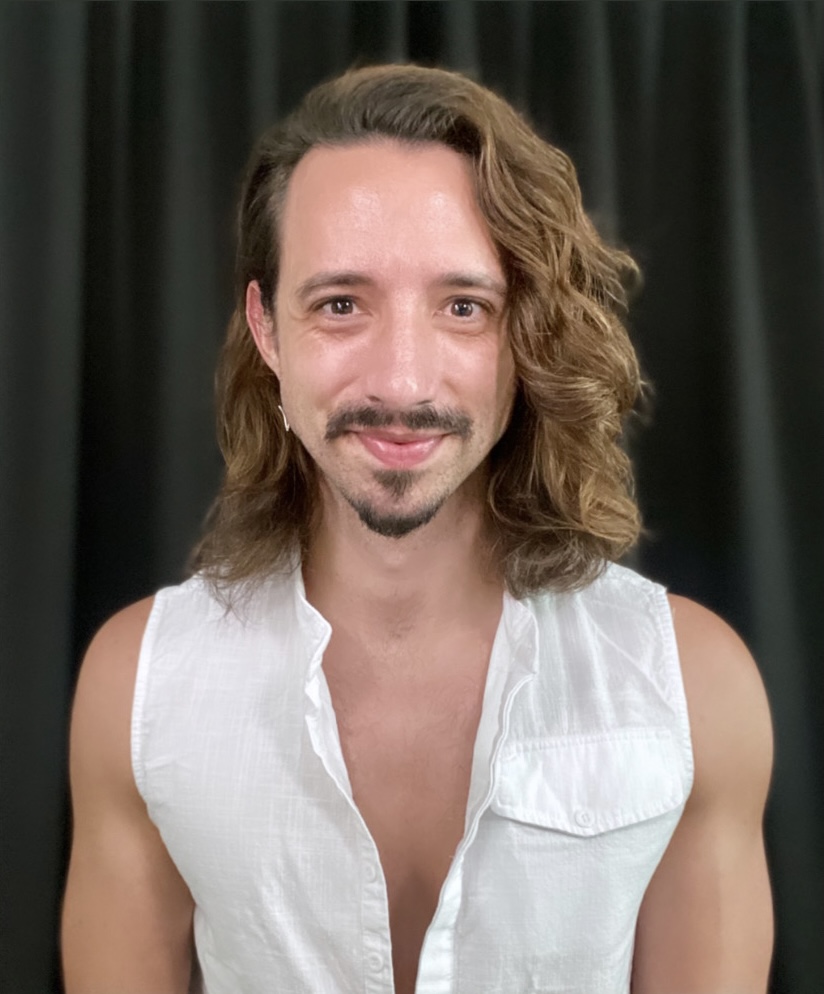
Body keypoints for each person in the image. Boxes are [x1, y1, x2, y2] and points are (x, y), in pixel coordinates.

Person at [61, 64, 774, 994]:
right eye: (342, 304)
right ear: (267, 330)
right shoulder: (136, 691)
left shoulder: (695, 692)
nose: (402, 383)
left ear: (525, 332)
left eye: (463, 308)